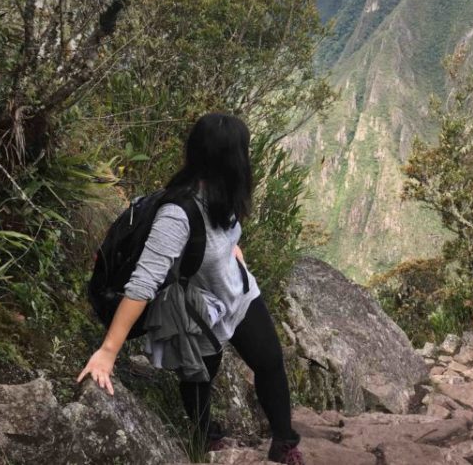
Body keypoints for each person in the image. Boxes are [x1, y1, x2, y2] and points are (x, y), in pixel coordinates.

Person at [77, 113, 304, 464]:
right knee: (199, 379)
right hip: (198, 311)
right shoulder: (177, 214)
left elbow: (226, 238)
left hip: (239, 294)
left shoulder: (226, 192)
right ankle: (206, 439)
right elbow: (143, 284)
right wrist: (108, 351)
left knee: (270, 363)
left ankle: (284, 444)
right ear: (232, 159)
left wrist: (235, 257)